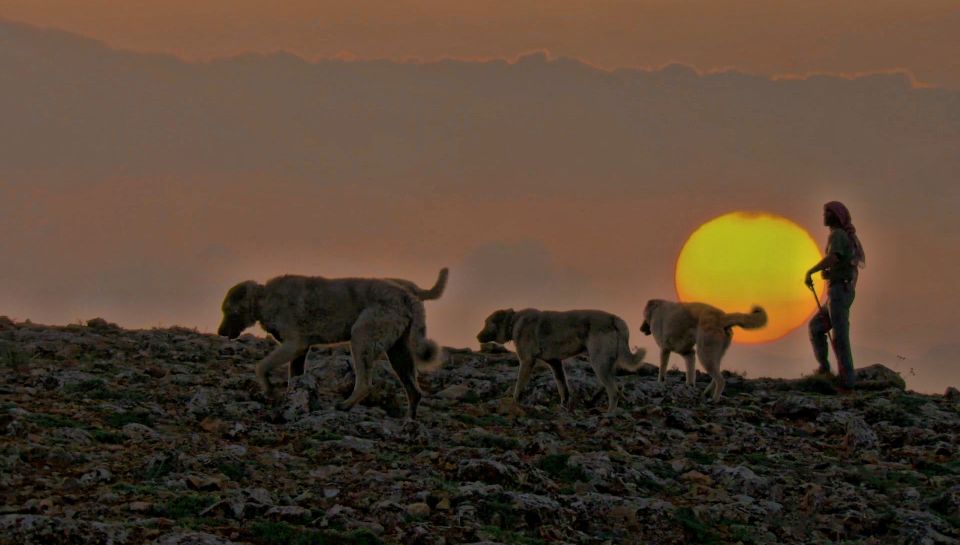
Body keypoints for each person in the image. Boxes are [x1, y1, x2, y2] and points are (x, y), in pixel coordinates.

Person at [804, 201, 865, 388]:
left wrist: (811, 271)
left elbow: (834, 257)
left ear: (834, 216)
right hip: (840, 289)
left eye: (826, 213)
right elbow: (843, 262)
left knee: (839, 335)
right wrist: (829, 273)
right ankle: (826, 369)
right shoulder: (842, 235)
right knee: (816, 327)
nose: (823, 216)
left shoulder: (837, 235)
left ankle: (846, 380)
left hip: (839, 291)